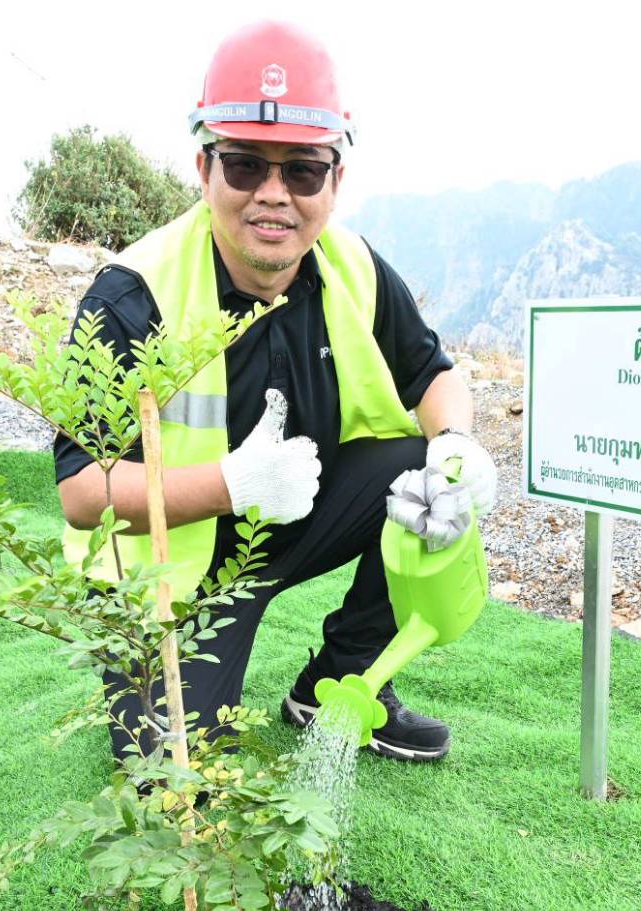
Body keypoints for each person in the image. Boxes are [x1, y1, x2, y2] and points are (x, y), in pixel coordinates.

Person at [52, 21, 497, 764]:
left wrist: (455, 445)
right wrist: (230, 483)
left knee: (418, 469)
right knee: (174, 771)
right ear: (203, 169)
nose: (272, 196)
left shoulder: (351, 265)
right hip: (174, 569)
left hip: (296, 519)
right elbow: (79, 490)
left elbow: (434, 376)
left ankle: (341, 678)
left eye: (301, 171)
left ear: (335, 181)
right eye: (244, 165)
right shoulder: (134, 294)